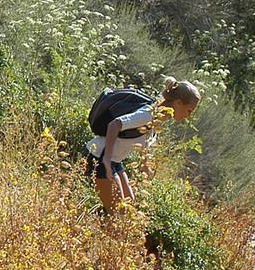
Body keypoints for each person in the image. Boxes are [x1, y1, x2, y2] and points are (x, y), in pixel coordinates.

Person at [85, 77, 200, 214]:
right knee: (119, 212)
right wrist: (107, 160)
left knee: (129, 206)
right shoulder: (148, 114)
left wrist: (145, 165)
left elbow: (142, 140)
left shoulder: (158, 118)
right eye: (189, 111)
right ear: (179, 103)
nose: (188, 116)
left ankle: (98, 221)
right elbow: (115, 124)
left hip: (114, 161)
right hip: (99, 158)